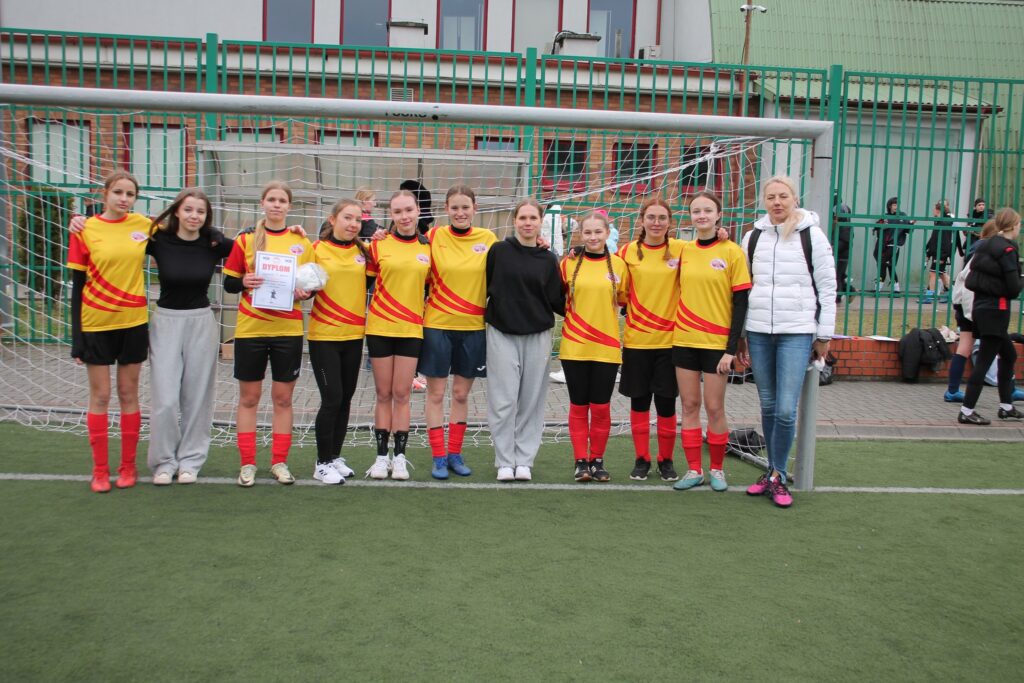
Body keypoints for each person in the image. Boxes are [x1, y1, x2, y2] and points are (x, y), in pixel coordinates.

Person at [738, 175, 836, 508]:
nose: (777, 202)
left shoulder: (812, 235)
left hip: (796, 331)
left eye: (783, 196)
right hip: (759, 332)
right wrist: (742, 335)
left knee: (784, 408)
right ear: (764, 201)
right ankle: (771, 471)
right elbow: (743, 287)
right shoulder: (752, 237)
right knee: (767, 404)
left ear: (794, 198)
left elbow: (828, 288)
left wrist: (823, 334)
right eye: (771, 197)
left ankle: (779, 474)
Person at [222, 181, 314, 487]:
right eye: (272, 199)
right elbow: (229, 283)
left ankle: (279, 462)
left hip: (288, 330)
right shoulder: (245, 240)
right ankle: (247, 463)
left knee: (283, 399)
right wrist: (244, 282)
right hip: (251, 330)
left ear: (289, 206)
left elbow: (311, 286)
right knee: (249, 398)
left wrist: (305, 291)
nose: (276, 204)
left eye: (282, 200)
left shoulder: (301, 241)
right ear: (262, 203)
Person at [67, 171, 150, 493]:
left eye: (130, 194)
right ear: (105, 194)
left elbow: (187, 231)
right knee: (100, 396)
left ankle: (128, 467)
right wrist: (77, 339)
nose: (124, 199)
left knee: (129, 394)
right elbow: (77, 288)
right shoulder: (84, 229)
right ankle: (100, 470)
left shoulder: (144, 226)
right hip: (96, 325)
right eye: (118, 192)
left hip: (133, 324)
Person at [144, 189, 233, 486]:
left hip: (201, 323)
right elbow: (119, 233)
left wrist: (293, 232)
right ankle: (164, 462)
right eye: (189, 210)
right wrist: (83, 220)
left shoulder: (214, 243)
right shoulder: (158, 240)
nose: (194, 216)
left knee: (197, 397)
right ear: (177, 212)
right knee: (166, 399)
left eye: (201, 211)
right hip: (166, 322)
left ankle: (190, 461)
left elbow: (251, 247)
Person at [672, 191, 751, 493]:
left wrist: (731, 349)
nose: (701, 216)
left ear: (718, 215)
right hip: (684, 339)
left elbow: (741, 303)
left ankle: (717, 468)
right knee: (689, 405)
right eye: (696, 211)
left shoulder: (732, 252)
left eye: (707, 210)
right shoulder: (683, 250)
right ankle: (694, 470)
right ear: (690, 216)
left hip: (717, 345)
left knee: (714, 407)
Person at [485, 199, 565, 481]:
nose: (528, 223)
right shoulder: (499, 251)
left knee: (531, 401)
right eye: (523, 218)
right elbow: (484, 286)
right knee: (504, 400)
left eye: (533, 218)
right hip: (501, 333)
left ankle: (524, 461)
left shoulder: (548, 259)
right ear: (514, 220)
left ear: (541, 221)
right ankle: (505, 461)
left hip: (538, 335)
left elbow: (558, 300)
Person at [421, 186, 496, 479]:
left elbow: (512, 263)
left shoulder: (488, 239)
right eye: (454, 207)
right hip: (437, 326)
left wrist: (541, 244)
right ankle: (438, 457)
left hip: (473, 329)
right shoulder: (433, 236)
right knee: (436, 394)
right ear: (446, 209)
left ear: (475, 208)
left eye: (465, 207)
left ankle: (454, 453)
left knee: (461, 394)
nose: (460, 213)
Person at [364, 190, 432, 480]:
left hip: (411, 330)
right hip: (379, 328)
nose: (404, 216)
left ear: (418, 212)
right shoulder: (377, 245)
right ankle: (381, 458)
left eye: (408, 210)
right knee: (383, 393)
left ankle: (400, 458)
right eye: (397, 211)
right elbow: (361, 282)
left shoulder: (429, 248)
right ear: (390, 215)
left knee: (402, 394)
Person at [616, 197, 683, 482]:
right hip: (637, 342)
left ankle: (666, 460)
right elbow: (610, 278)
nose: (656, 222)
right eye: (651, 217)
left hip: (670, 342)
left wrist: (721, 234)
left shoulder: (682, 249)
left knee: (666, 405)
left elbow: (709, 251)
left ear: (670, 222)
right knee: (639, 403)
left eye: (662, 218)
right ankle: (641, 459)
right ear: (642, 220)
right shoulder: (626, 252)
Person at [560, 211, 630, 483]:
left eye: (598, 232)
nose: (592, 237)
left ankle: (597, 460)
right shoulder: (568, 263)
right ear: (580, 235)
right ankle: (580, 462)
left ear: (607, 233)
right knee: (578, 406)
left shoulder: (620, 265)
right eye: (587, 232)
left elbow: (624, 301)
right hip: (574, 347)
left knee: (601, 408)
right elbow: (558, 298)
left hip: (607, 348)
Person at [307, 199, 371, 485]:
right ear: (332, 219)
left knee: (345, 398)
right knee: (331, 398)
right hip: (324, 338)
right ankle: (321, 464)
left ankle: (334, 457)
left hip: (354, 337)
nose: (353, 224)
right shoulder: (316, 249)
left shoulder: (363, 252)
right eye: (347, 217)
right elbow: (303, 285)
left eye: (357, 219)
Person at [957, 208, 1023, 425]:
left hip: (981, 308)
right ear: (1013, 226)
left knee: (1009, 355)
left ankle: (1006, 406)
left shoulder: (984, 246)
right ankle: (967, 410)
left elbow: (973, 279)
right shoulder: (1007, 250)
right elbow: (1013, 288)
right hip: (996, 311)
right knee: (984, 361)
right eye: (1019, 224)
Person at [922, 199, 961, 304]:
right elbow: (934, 238)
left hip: (941, 253)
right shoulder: (938, 221)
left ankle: (929, 296)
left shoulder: (945, 222)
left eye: (934, 209)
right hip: (937, 252)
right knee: (941, 274)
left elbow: (945, 241)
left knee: (933, 273)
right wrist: (929, 251)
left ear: (938, 210)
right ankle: (951, 295)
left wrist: (943, 255)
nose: (933, 211)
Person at [873, 196, 912, 293]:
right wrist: (881, 226)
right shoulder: (885, 216)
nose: (896, 207)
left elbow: (908, 230)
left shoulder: (902, 216)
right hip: (883, 245)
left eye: (897, 205)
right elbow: (877, 228)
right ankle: (894, 288)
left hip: (894, 245)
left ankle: (882, 287)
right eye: (894, 205)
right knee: (887, 265)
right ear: (890, 206)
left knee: (886, 264)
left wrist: (911, 224)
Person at [832, 193, 853, 303]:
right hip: (839, 254)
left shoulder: (844, 226)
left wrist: (832, 249)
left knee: (837, 276)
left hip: (841, 255)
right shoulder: (838, 225)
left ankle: (838, 297)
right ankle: (850, 291)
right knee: (839, 276)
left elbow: (845, 241)